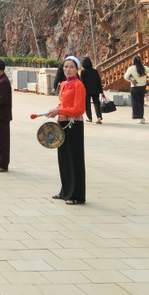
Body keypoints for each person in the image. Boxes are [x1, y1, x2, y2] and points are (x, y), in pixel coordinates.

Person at [47, 55, 87, 205]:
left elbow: (79, 109)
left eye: (71, 67)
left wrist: (60, 111)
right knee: (63, 158)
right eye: (65, 67)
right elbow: (63, 104)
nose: (68, 69)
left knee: (74, 159)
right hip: (62, 123)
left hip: (74, 125)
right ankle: (65, 191)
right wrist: (55, 110)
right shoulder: (64, 84)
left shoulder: (79, 85)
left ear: (77, 69)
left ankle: (76, 195)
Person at [124, 55, 149, 124]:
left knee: (135, 102)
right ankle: (142, 117)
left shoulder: (131, 68)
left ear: (133, 61)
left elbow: (126, 77)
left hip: (134, 87)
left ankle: (139, 117)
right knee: (141, 102)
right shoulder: (144, 68)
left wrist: (131, 80)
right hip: (142, 87)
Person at [80, 57, 103, 124]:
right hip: (95, 90)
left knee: (87, 105)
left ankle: (89, 118)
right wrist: (101, 91)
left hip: (86, 91)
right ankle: (99, 117)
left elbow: (82, 82)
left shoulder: (83, 72)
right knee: (96, 104)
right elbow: (99, 81)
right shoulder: (95, 71)